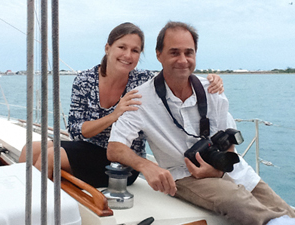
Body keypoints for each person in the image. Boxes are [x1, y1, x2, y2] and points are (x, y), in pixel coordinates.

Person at [107, 21, 295, 225]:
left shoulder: (211, 90)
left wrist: (220, 170)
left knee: (284, 209)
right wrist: (147, 166)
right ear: (158, 54)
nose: (183, 60)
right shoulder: (141, 98)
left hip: (229, 169)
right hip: (183, 175)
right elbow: (115, 148)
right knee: (235, 200)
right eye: (174, 52)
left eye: (189, 53)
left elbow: (229, 139)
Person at [18, 22, 224, 188]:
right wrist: (113, 115)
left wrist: (211, 80)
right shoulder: (85, 80)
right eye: (122, 47)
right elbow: (77, 131)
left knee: (48, 156)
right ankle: (20, 202)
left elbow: (177, 74)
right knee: (30, 149)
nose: (128, 55)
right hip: (87, 146)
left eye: (135, 50)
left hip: (123, 160)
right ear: (108, 48)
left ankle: (37, 210)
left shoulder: (143, 81)